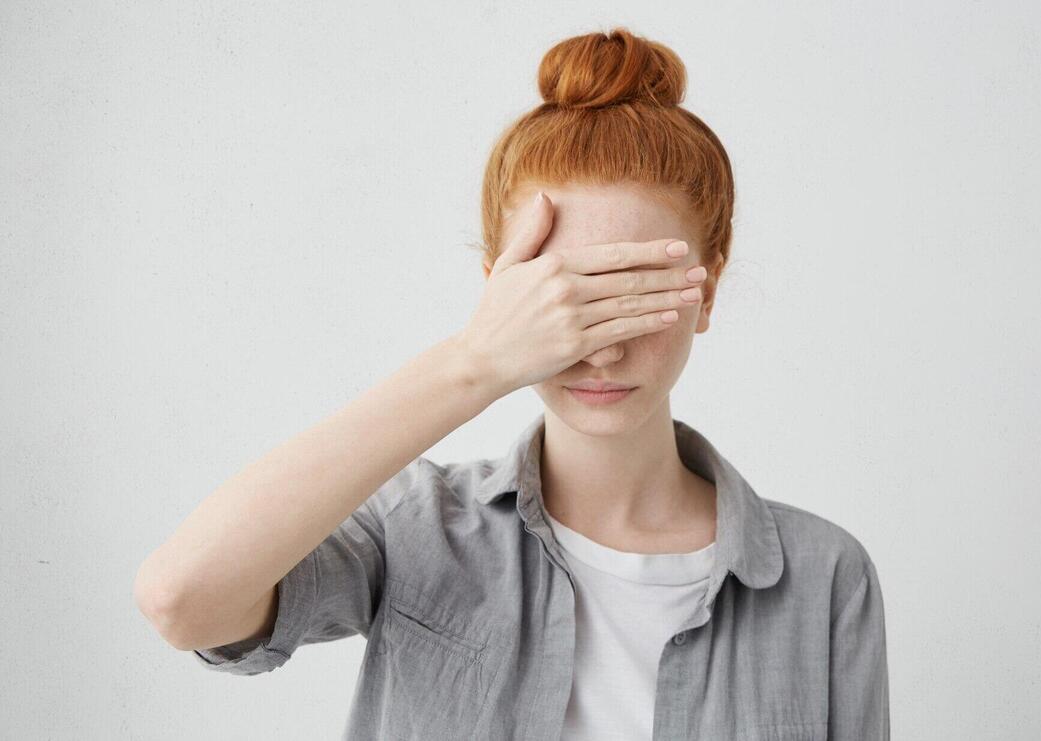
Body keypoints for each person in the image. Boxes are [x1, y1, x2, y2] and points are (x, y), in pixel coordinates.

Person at [134, 26, 889, 741]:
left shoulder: (825, 575)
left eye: (638, 294)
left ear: (708, 291)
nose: (601, 350)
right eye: (563, 298)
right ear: (500, 293)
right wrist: (476, 359)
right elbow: (182, 598)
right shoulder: (418, 528)